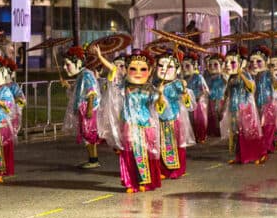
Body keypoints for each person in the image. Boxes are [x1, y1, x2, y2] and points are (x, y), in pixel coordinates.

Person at [96, 46, 162, 192]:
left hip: (146, 125)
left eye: (143, 69)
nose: (138, 73)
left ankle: (144, 182)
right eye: (133, 68)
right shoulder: (124, 85)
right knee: (128, 153)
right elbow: (113, 70)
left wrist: (161, 94)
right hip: (129, 125)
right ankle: (130, 183)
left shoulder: (150, 88)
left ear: (149, 71)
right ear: (126, 69)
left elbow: (158, 106)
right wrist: (100, 56)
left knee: (145, 152)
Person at [220, 46, 266, 164]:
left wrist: (242, 75)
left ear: (242, 63)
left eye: (233, 62)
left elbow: (251, 88)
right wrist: (222, 108)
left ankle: (258, 155)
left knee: (250, 134)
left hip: (246, 109)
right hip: (234, 109)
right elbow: (227, 93)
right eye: (226, 62)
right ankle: (240, 157)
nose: (228, 65)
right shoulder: (231, 78)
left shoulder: (246, 74)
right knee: (237, 134)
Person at [154, 50, 195, 179]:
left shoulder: (177, 84)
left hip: (174, 119)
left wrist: (184, 91)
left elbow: (189, 105)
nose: (164, 69)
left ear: (177, 70)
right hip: (159, 120)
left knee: (177, 146)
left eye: (169, 66)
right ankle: (162, 169)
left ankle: (176, 170)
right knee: (160, 145)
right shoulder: (155, 84)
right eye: (161, 65)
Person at [62, 46, 103, 168]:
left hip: (87, 109)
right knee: (87, 135)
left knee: (89, 135)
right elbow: (79, 92)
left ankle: (94, 160)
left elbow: (91, 92)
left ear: (78, 63)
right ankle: (92, 159)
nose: (64, 67)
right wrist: (67, 85)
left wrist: (90, 108)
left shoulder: (86, 75)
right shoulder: (82, 75)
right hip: (83, 109)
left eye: (67, 64)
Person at [250, 45, 277, 155]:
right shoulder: (252, 75)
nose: (254, 63)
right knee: (259, 126)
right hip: (256, 103)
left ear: (265, 61)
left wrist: (272, 74)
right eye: (252, 61)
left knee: (268, 127)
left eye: (258, 61)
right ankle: (264, 145)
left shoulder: (268, 73)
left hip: (269, 103)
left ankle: (266, 147)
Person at [183, 52, 209, 144]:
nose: (184, 68)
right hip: (188, 102)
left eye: (187, 66)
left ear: (194, 66)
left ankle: (201, 136)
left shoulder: (198, 76)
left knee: (199, 119)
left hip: (198, 101)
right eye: (183, 66)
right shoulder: (183, 78)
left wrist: (197, 98)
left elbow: (204, 90)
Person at [204, 53, 226, 138]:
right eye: (210, 65)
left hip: (220, 98)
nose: (212, 67)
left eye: (215, 64)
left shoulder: (223, 76)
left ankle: (220, 130)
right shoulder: (207, 77)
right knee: (211, 115)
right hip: (210, 99)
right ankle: (213, 130)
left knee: (219, 114)